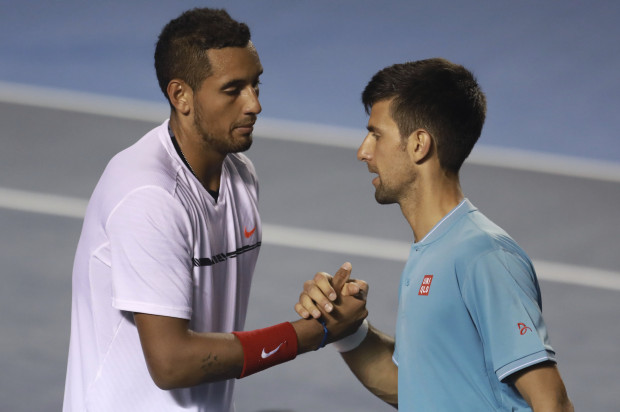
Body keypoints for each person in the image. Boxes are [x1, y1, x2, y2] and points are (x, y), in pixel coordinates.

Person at [62, 8, 367, 412]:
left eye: (256, 85)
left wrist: (323, 307)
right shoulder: (147, 196)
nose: (254, 104)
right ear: (180, 96)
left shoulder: (240, 175)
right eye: (233, 89)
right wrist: (313, 333)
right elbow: (171, 363)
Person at [295, 58, 574, 411]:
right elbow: (415, 391)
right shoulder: (433, 252)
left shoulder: (483, 255)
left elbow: (553, 402)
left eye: (376, 134)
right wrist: (344, 328)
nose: (363, 152)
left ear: (418, 144)